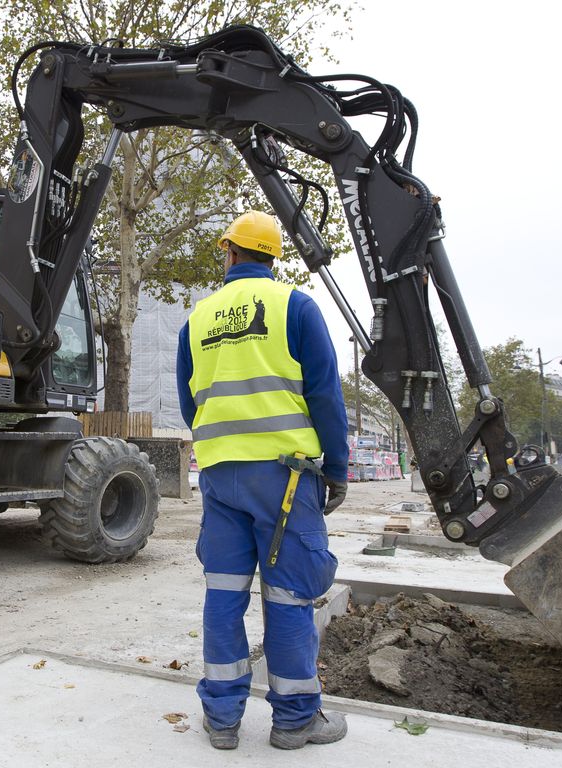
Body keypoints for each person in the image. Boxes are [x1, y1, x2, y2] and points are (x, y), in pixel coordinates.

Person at [177, 210, 350, 750]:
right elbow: (325, 395)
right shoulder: (294, 306)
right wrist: (337, 470)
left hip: (220, 476)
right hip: (286, 481)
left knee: (223, 592)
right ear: (273, 258)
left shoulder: (198, 318)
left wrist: (225, 446)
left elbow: (191, 403)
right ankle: (295, 719)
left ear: (229, 253)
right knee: (288, 594)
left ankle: (223, 718)